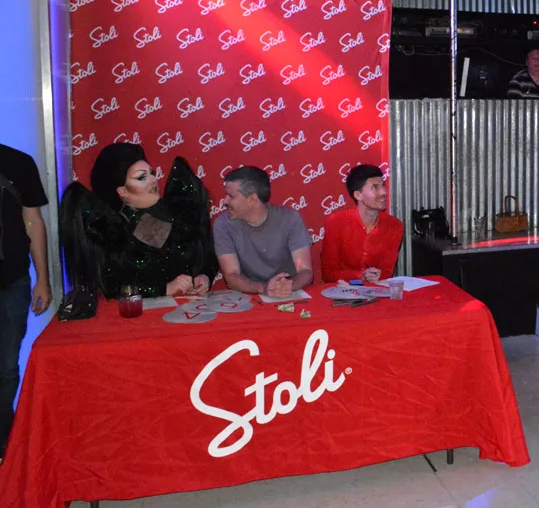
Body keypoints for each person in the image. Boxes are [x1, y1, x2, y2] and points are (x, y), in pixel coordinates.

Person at [61, 142, 217, 299]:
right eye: (142, 177)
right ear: (122, 190)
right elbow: (112, 285)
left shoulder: (175, 214)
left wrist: (204, 276)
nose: (153, 180)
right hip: (136, 312)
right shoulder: (111, 231)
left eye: (152, 173)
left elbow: (206, 256)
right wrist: (164, 289)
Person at [0, 143, 51, 461]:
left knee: (6, 369)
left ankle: (4, 445)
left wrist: (43, 278)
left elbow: (32, 220)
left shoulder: (17, 162)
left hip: (12, 281)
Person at [214, 166, 314, 298]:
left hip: (289, 293)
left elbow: (305, 270)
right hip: (251, 295)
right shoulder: (223, 224)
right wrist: (264, 288)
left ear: (252, 199)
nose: (225, 201)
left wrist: (288, 286)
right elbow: (231, 276)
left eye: (231, 196)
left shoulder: (290, 219)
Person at [321, 164, 403, 283]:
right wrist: (360, 275)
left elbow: (386, 273)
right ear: (358, 195)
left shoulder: (394, 226)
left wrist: (375, 277)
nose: (383, 192)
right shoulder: (336, 222)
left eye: (383, 185)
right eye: (375, 187)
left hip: (377, 290)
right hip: (342, 290)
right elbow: (328, 273)